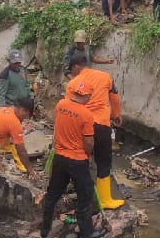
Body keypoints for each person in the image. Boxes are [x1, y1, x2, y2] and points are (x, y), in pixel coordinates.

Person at [40, 82, 103, 238]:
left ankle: (44, 229)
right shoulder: (86, 114)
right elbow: (89, 142)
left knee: (52, 194)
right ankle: (86, 233)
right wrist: (89, 156)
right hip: (77, 160)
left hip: (60, 158)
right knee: (85, 195)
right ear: (87, 95)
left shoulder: (60, 105)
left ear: (75, 93)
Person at [65, 54, 124, 209]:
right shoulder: (105, 77)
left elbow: (68, 108)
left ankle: (83, 197)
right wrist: (116, 115)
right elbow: (115, 98)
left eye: (72, 69)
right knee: (104, 162)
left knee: (82, 159)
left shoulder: (73, 83)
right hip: (102, 125)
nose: (72, 72)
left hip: (82, 126)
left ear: (76, 67)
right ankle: (105, 201)